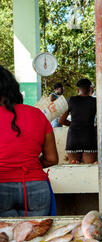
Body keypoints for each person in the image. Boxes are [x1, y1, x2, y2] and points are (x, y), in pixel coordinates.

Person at [0, 65, 58, 217]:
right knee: (37, 238)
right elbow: (51, 159)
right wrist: (28, 165)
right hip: (36, 187)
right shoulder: (37, 114)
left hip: (1, 188)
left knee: (7, 238)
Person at [59, 79, 98, 164]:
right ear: (90, 89)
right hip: (89, 137)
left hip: (73, 138)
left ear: (77, 90)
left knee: (74, 169)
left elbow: (61, 121)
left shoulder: (71, 100)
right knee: (89, 168)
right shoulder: (95, 102)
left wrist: (73, 124)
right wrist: (95, 127)